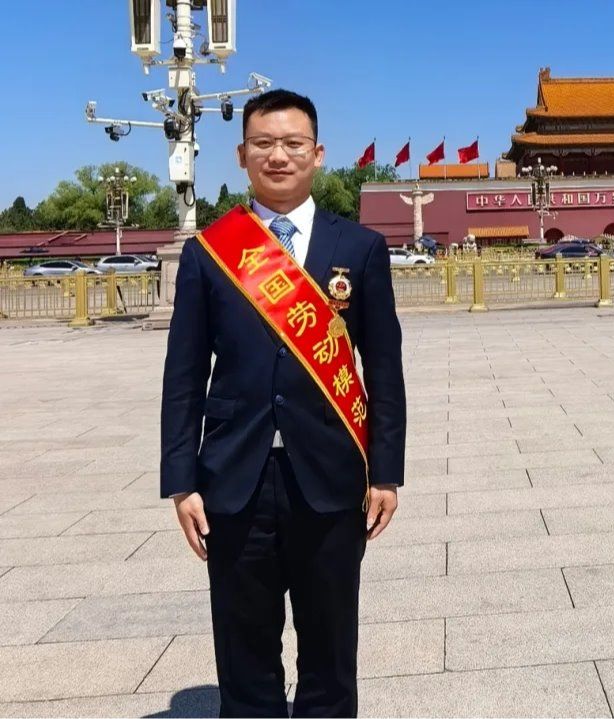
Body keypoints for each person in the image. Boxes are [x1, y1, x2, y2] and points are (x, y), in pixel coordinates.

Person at [160, 89, 406, 718]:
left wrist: (386, 473)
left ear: (317, 154)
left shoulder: (360, 248)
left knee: (330, 654)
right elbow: (184, 376)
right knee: (244, 659)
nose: (278, 156)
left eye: (293, 144)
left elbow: (383, 369)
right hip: (233, 480)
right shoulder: (209, 253)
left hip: (329, 477)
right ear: (242, 155)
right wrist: (181, 480)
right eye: (263, 144)